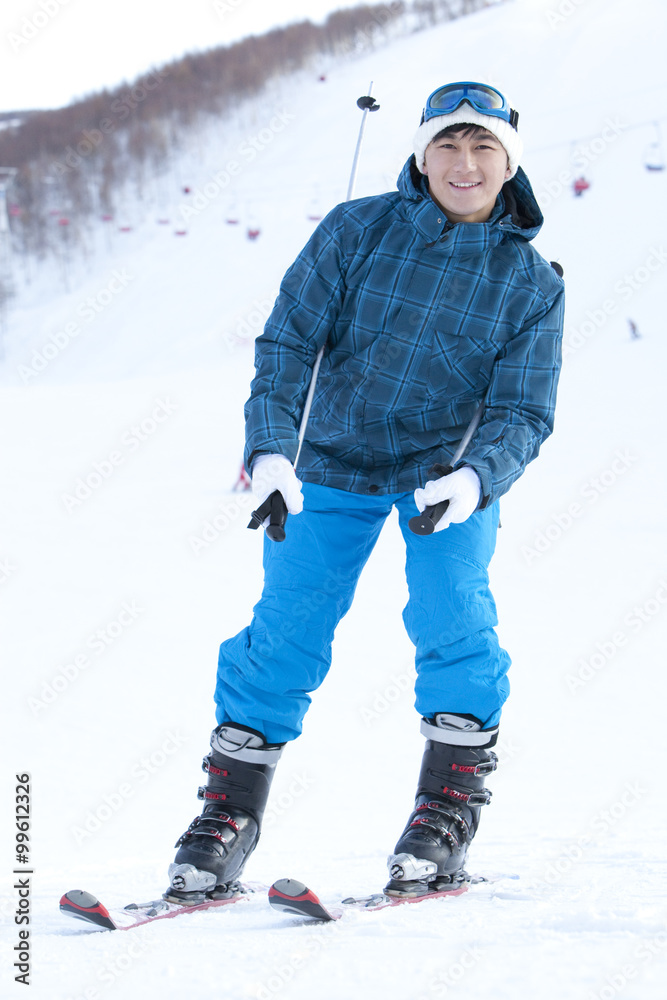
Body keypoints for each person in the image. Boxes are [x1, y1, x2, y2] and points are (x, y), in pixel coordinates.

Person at [166, 81, 565, 903]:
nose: (464, 163)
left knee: (454, 614)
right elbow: (287, 344)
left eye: (482, 148)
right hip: (331, 464)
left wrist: (474, 477)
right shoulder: (357, 231)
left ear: (507, 164)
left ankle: (444, 810)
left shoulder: (531, 284)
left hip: (441, 480)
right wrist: (271, 452)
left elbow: (524, 411)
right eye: (447, 146)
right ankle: (227, 815)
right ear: (420, 156)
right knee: (287, 628)